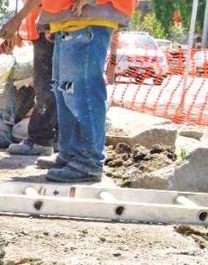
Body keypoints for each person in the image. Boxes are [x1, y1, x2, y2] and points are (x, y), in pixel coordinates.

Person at [38, 0, 135, 183]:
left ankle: (88, 161)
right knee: (65, 93)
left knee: (84, 94)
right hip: (70, 21)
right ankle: (71, 154)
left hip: (88, 20)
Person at [0, 0, 56, 157]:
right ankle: (55, 139)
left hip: (50, 26)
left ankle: (41, 140)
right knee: (52, 85)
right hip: (47, 26)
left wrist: (16, 21)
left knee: (46, 86)